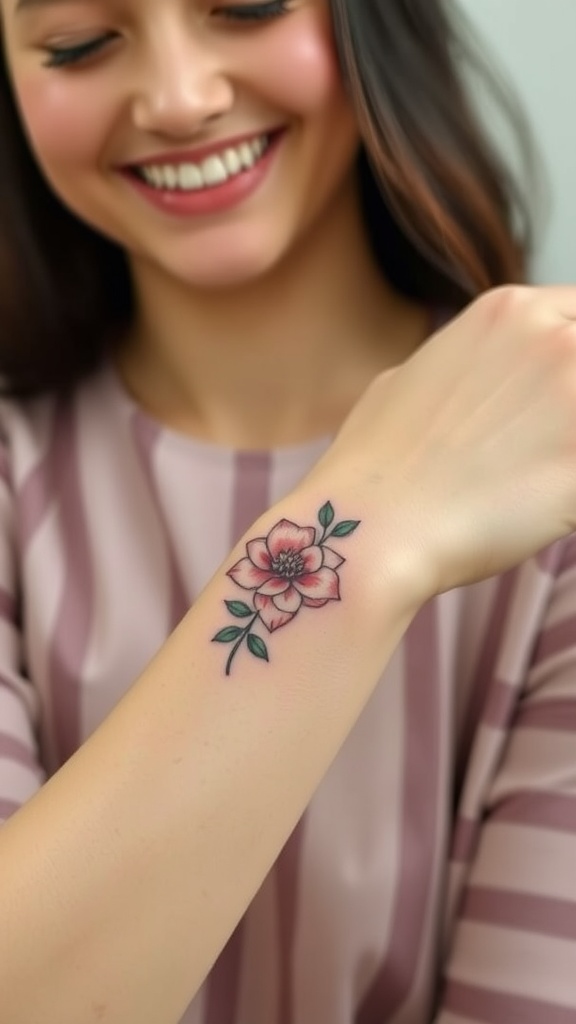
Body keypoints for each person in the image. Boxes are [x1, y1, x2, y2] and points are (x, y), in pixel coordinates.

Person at [0, 0, 575, 1021]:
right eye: (80, 41)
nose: (180, 100)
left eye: (248, 6)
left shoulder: (555, 471)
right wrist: (370, 525)